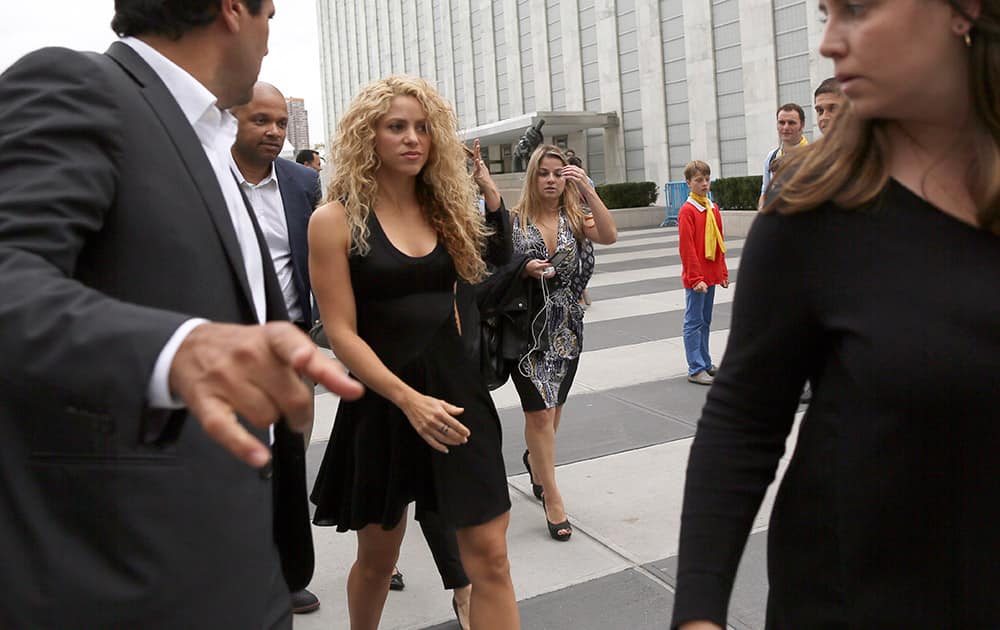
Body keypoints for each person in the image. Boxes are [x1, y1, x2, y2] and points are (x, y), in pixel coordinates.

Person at [0, 1, 364, 628]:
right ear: (232, 11)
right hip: (122, 576)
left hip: (237, 562)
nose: (270, 43)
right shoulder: (77, 87)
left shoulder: (211, 141)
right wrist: (176, 350)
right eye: (270, 18)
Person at [672, 0, 999, 628]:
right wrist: (698, 613)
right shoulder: (813, 207)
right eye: (825, 11)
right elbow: (743, 420)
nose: (827, 41)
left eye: (856, 10)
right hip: (845, 601)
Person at [307, 75, 519, 630]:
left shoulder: (447, 210)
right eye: (396, 126)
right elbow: (342, 333)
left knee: (491, 560)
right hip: (384, 404)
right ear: (366, 135)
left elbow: (483, 277)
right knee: (378, 562)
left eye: (423, 128)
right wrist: (407, 400)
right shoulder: (333, 220)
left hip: (456, 400)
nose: (412, 139)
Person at [230, 80, 324, 614]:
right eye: (260, 120)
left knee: (289, 459)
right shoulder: (208, 177)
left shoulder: (300, 181)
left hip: (291, 344)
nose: (273, 132)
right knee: (236, 460)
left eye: (282, 123)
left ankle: (290, 575)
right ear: (233, 120)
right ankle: (237, 567)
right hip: (232, 347)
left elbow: (320, 257)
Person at [507, 145, 617, 541]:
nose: (551, 179)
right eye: (543, 173)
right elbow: (496, 266)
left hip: (567, 328)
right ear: (533, 177)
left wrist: (588, 190)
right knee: (538, 415)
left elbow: (609, 235)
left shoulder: (575, 216)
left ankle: (536, 465)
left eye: (558, 173)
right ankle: (552, 497)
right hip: (526, 331)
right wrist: (523, 269)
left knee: (552, 417)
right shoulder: (515, 220)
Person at [677, 160, 729, 386]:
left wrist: (722, 271)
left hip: (710, 274)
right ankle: (695, 367)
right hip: (696, 277)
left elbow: (719, 242)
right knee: (694, 321)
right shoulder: (687, 211)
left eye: (707, 179)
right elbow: (687, 248)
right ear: (688, 183)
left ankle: (705, 361)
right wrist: (695, 278)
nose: (704, 184)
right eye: (699, 180)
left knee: (705, 320)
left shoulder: (712, 207)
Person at [757, 103, 808, 209]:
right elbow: (765, 192)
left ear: (802, 125)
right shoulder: (771, 157)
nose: (786, 127)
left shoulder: (814, 156)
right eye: (781, 122)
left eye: (791, 123)